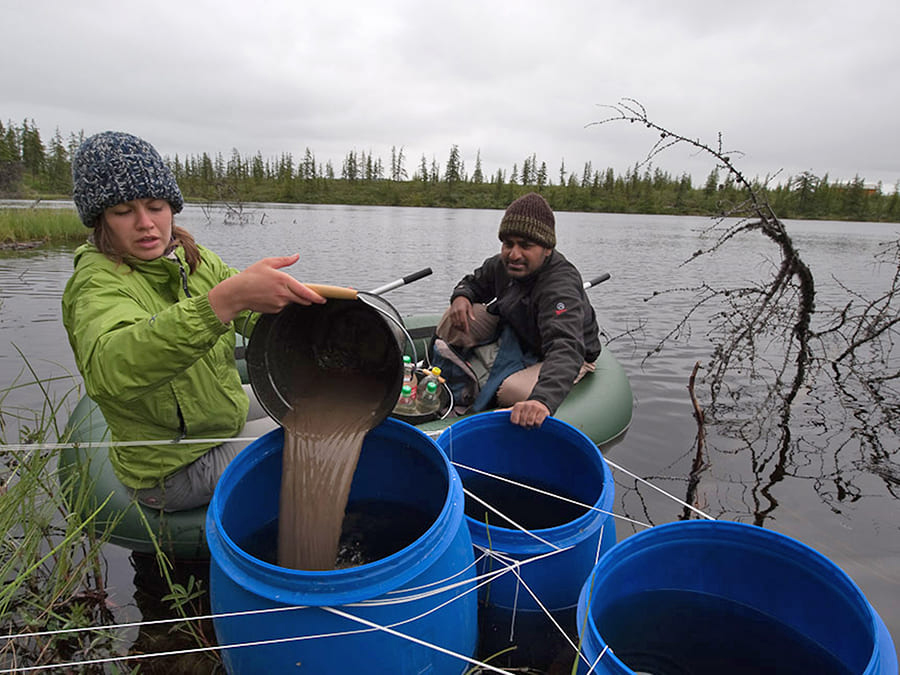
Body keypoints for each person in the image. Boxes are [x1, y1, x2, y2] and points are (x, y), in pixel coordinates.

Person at [61, 131, 325, 512]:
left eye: (155, 207)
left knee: (314, 398)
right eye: (123, 211)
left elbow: (253, 313)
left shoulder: (191, 258)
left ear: (171, 207)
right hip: (173, 470)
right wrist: (221, 303)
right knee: (321, 433)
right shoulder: (95, 283)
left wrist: (322, 318)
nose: (145, 224)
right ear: (99, 219)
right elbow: (111, 369)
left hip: (216, 420)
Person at [435, 192, 601, 429]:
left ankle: (489, 383)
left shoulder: (560, 287)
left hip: (567, 351)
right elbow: (474, 282)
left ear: (546, 248)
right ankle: (467, 375)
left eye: (525, 246)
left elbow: (566, 347)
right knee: (451, 320)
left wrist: (542, 400)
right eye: (508, 244)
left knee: (511, 391)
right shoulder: (503, 263)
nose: (514, 254)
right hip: (521, 329)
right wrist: (461, 295)